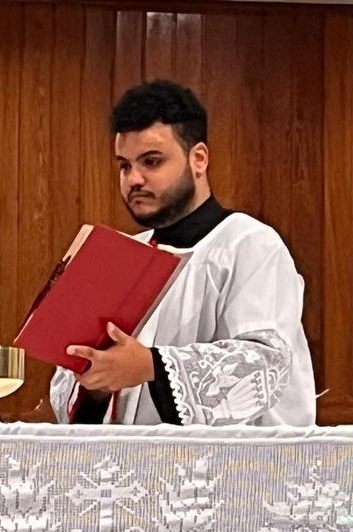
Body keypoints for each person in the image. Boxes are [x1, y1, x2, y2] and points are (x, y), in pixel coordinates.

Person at [50, 79, 316, 426]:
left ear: (198, 159)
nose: (133, 179)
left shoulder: (249, 245)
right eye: (124, 165)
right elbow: (71, 384)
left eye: (151, 161)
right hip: (129, 458)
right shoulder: (120, 257)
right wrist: (97, 382)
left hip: (232, 461)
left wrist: (150, 366)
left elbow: (264, 366)